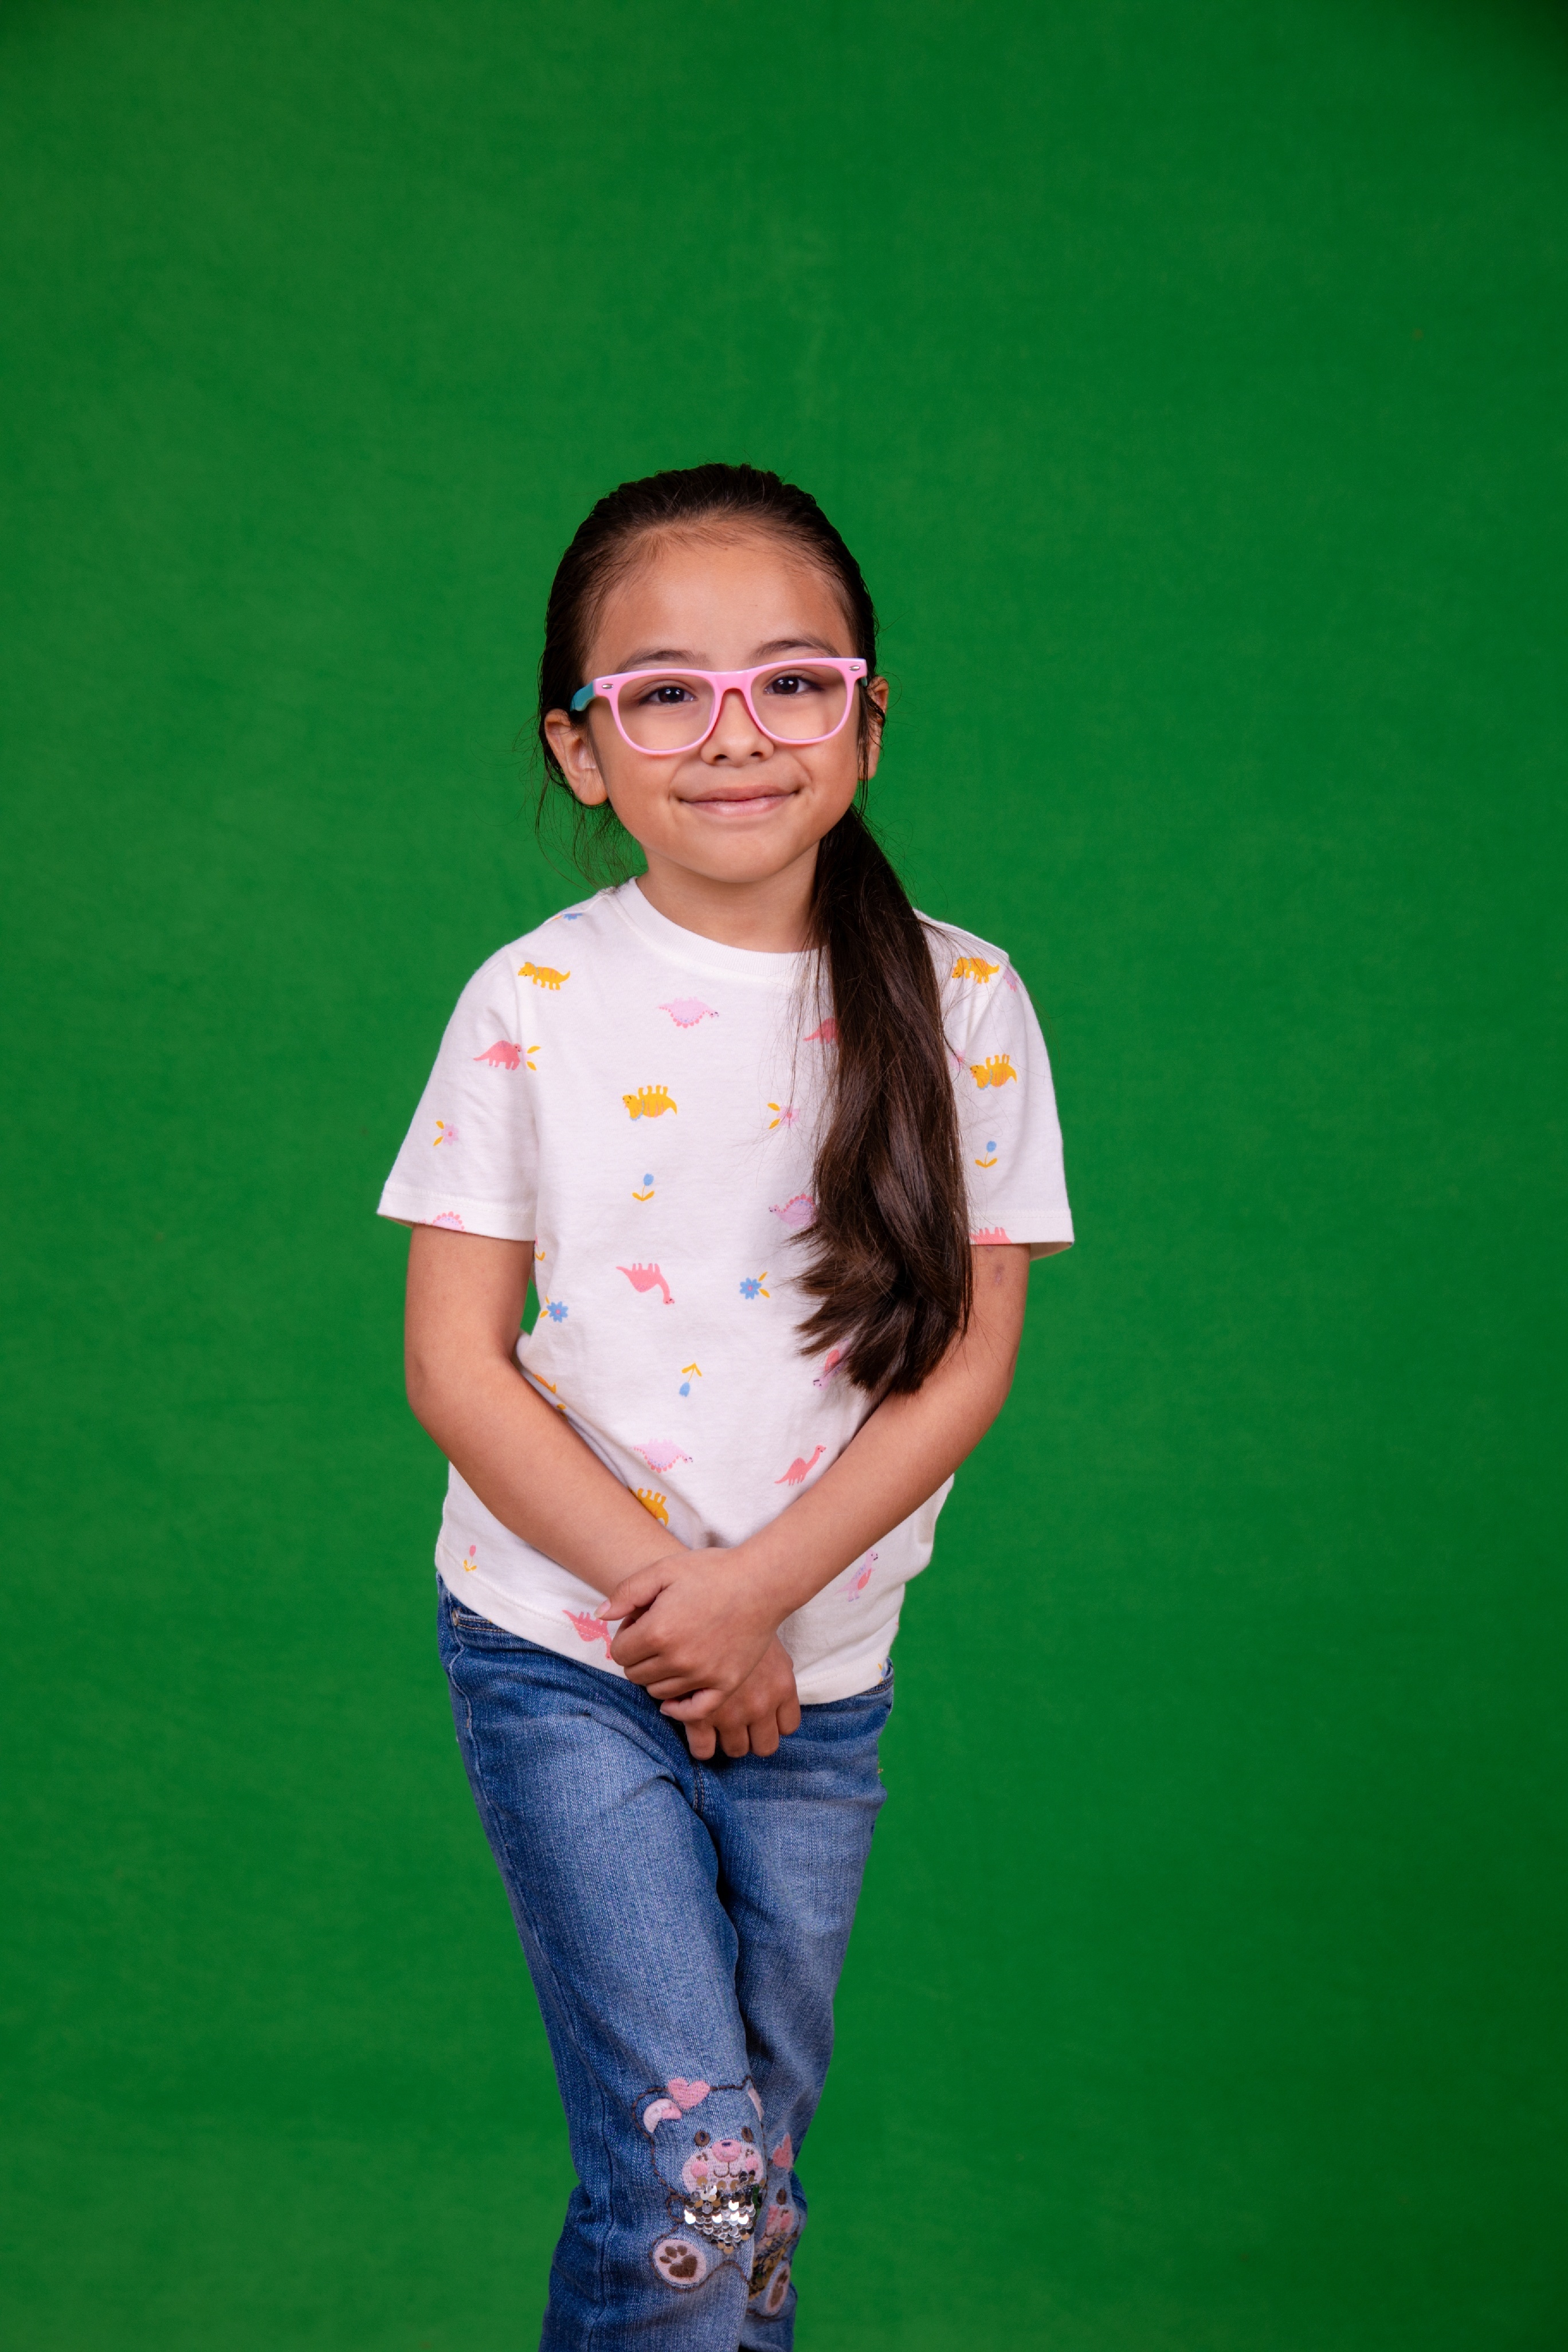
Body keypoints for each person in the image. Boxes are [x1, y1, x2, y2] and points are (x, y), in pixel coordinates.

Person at [378, 462, 1073, 2348]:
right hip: (565, 1651)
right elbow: (454, 1364)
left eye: (792, 681)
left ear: (867, 717)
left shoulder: (967, 1001)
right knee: (689, 2167)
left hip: (819, 1675)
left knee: (755, 2189)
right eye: (665, 692)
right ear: (582, 748)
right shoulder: (532, 999)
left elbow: (968, 1358)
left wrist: (761, 1599)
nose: (735, 732)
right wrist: (678, 1608)